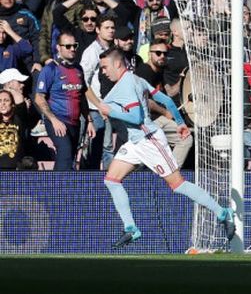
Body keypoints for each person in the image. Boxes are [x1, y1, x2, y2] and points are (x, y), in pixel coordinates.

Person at [95, 48, 235, 247]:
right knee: (111, 180)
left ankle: (222, 212)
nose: (103, 71)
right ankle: (131, 229)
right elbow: (166, 100)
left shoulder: (127, 85)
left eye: (105, 67)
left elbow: (135, 117)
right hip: (136, 143)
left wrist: (111, 111)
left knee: (177, 185)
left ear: (118, 64)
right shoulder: (135, 79)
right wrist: (179, 122)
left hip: (150, 141)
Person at [34, 31, 94, 171]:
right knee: (65, 153)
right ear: (58, 48)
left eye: (74, 45)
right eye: (68, 46)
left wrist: (89, 120)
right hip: (57, 120)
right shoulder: (50, 69)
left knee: (69, 157)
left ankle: (55, 189)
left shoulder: (78, 69)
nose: (72, 49)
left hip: (75, 122)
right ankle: (61, 190)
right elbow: (39, 97)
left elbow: (81, 96)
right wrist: (54, 120)